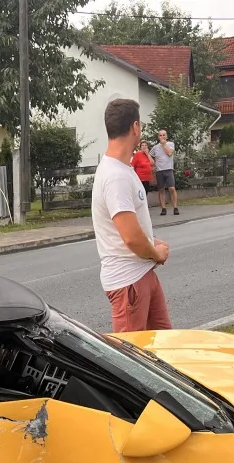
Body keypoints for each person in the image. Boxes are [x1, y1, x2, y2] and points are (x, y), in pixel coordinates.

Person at [91, 98, 172, 333]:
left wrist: (152, 241)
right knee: (130, 359)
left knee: (163, 348)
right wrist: (155, 252)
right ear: (135, 127)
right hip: (128, 283)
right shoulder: (115, 175)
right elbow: (130, 238)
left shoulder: (123, 169)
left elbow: (130, 227)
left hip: (141, 274)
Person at [149, 128, 179, 216]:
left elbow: (169, 153)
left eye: (164, 135)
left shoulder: (170, 144)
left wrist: (163, 145)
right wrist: (153, 166)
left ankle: (175, 207)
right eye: (160, 135)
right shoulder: (155, 147)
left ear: (166, 136)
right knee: (161, 190)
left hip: (169, 169)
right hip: (159, 171)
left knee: (172, 188)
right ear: (158, 137)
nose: (162, 137)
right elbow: (150, 157)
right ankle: (163, 208)